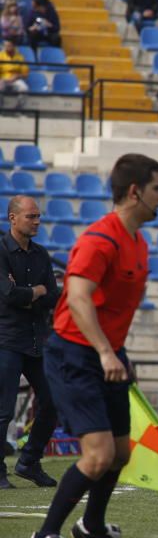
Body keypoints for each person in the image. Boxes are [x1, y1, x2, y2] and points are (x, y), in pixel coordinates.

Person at [27, 154, 158, 538]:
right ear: (135, 191)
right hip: (75, 354)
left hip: (107, 354)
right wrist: (106, 351)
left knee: (121, 454)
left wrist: (116, 353)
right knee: (99, 455)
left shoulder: (138, 243)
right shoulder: (98, 240)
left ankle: (91, 526)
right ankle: (44, 537)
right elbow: (78, 298)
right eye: (157, 188)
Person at [0, 196, 60, 490]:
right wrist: (31, 293)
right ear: (12, 218)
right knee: (4, 409)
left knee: (53, 400)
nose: (37, 221)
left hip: (37, 339)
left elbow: (52, 295)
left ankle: (29, 462)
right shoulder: (0, 251)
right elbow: (7, 296)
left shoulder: (41, 255)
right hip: (6, 340)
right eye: (31, 216)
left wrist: (27, 293)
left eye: (38, 217)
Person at [0, 36, 28, 109]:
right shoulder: (1, 55)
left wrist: (17, 76)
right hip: (3, 78)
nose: (6, 47)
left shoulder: (20, 57)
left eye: (8, 46)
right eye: (5, 45)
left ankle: (19, 108)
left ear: (13, 46)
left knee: (24, 88)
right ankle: (1, 108)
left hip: (15, 79)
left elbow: (25, 73)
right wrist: (2, 79)